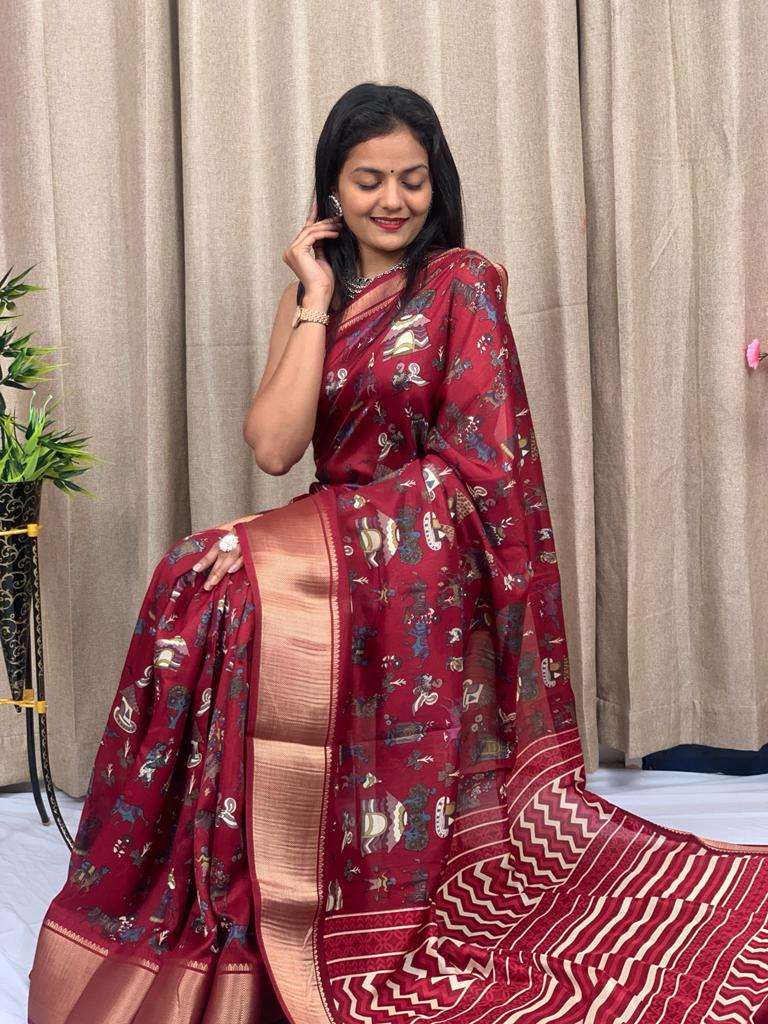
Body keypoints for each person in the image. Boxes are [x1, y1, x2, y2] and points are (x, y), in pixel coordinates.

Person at [28, 82, 768, 1024]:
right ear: (332, 190)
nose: (392, 200)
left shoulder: (465, 284)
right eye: (368, 179)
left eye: (411, 179)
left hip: (428, 558)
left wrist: (284, 541)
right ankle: (227, 869)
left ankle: (307, 877)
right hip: (336, 541)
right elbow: (274, 448)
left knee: (228, 580)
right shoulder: (315, 296)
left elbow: (476, 472)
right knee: (195, 583)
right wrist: (314, 296)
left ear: (436, 181)